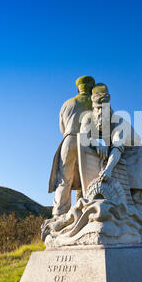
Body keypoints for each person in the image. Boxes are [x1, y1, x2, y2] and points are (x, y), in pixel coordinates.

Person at [86, 83, 142, 214]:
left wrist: (108, 169)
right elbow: (83, 137)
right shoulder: (89, 118)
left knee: (134, 193)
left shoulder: (119, 122)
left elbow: (117, 148)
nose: (100, 113)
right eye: (97, 109)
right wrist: (96, 144)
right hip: (116, 153)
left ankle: (137, 228)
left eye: (103, 109)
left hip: (133, 154)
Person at [48, 75, 95, 216]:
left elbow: (62, 128)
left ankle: (59, 214)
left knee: (64, 179)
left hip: (68, 140)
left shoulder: (67, 103)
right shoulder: (94, 102)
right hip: (88, 142)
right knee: (90, 179)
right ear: (91, 87)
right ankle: (88, 210)